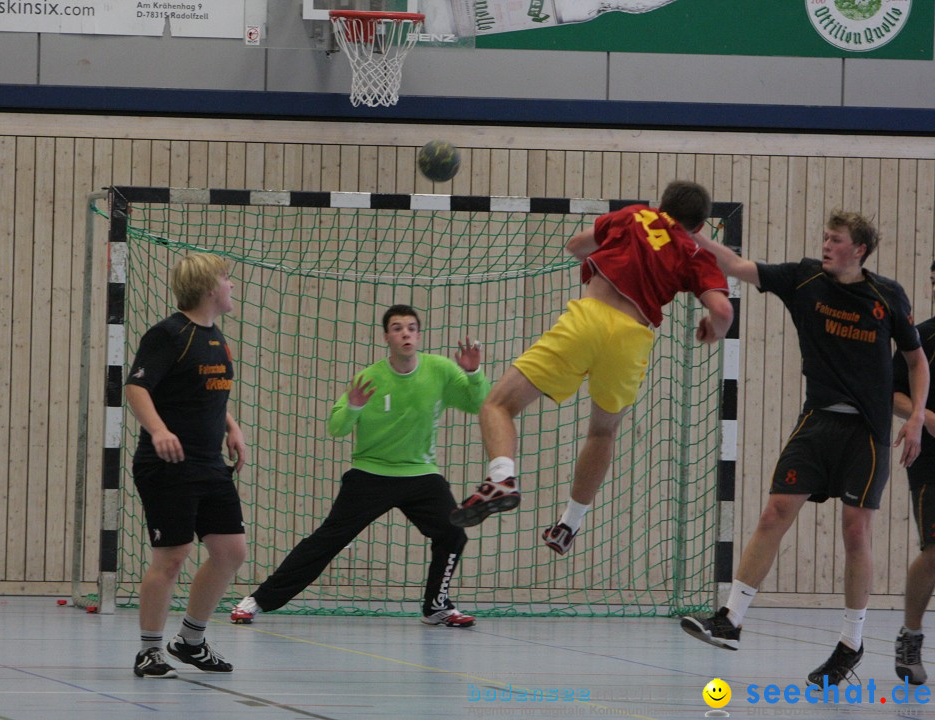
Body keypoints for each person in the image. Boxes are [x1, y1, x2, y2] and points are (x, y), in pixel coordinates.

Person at [679, 211, 929, 688]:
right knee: (774, 512)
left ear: (860, 249)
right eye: (825, 238)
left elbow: (916, 363)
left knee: (856, 534)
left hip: (868, 433)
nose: (827, 245)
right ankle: (731, 619)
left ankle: (851, 642)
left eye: (836, 240)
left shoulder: (887, 296)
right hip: (817, 422)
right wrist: (693, 235)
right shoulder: (803, 278)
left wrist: (916, 416)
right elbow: (735, 264)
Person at [449, 180, 734, 558]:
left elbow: (576, 246)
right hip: (632, 339)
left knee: (497, 405)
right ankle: (569, 523)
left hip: (589, 320)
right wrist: (714, 330)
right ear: (697, 226)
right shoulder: (696, 252)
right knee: (602, 433)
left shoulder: (637, 216)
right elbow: (724, 310)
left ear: (661, 205)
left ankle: (501, 478)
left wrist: (608, 253)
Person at [230, 304, 489, 627]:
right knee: (327, 540)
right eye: (397, 328)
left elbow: (478, 404)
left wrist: (473, 373)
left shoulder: (440, 370)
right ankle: (257, 600)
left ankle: (436, 606)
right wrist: (352, 406)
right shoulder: (369, 378)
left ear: (419, 335)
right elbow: (336, 427)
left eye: (411, 327)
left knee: (453, 533)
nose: (405, 333)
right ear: (387, 337)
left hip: (421, 474)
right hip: (370, 474)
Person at [124, 253, 247, 679]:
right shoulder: (168, 334)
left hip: (210, 463)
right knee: (172, 556)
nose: (232, 286)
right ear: (211, 287)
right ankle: (149, 651)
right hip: (168, 464)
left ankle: (190, 642)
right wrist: (158, 430)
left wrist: (231, 427)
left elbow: (208, 391)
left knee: (231, 552)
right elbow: (137, 387)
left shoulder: (216, 337)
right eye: (227, 279)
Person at [890, 260, 935, 685]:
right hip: (931, 461)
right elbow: (894, 394)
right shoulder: (921, 338)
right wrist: (925, 417)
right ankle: (911, 636)